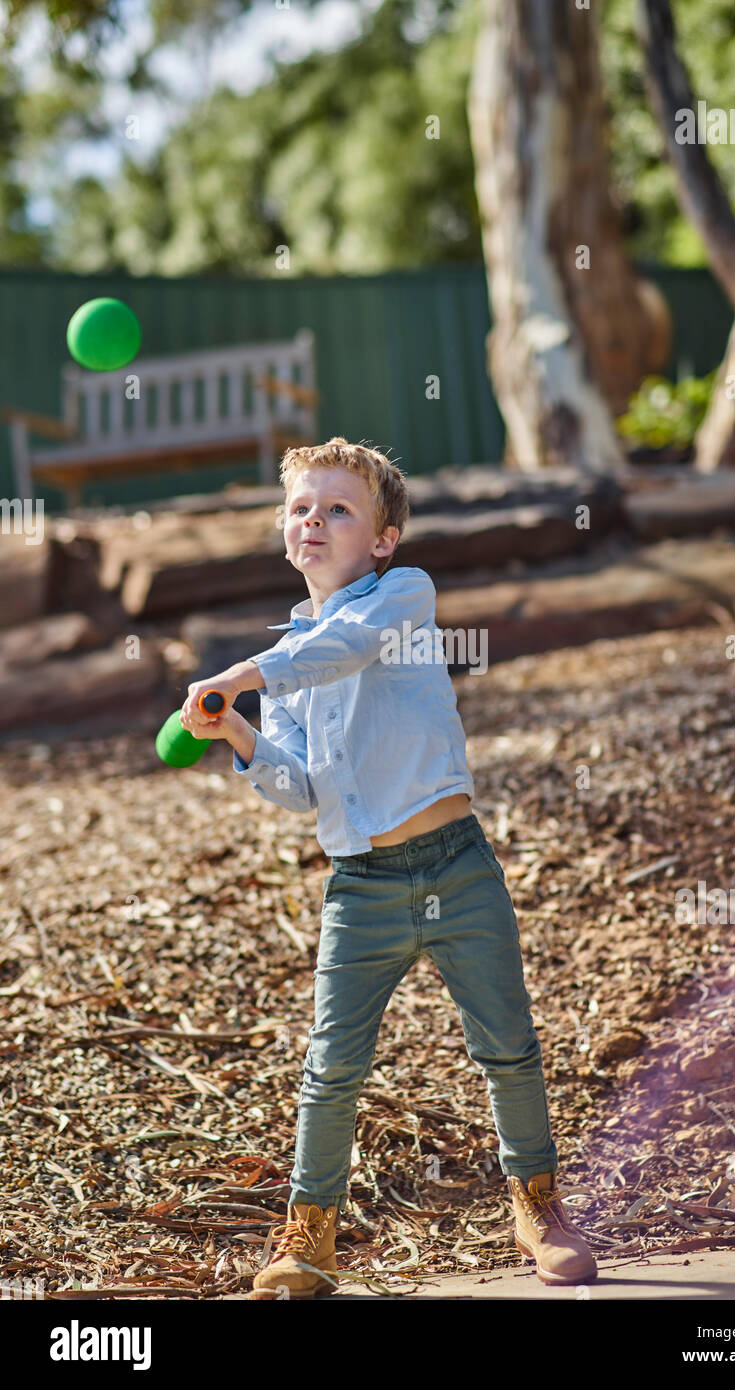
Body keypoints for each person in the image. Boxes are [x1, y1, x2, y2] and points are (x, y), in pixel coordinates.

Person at [179, 436, 596, 1297]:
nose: (313, 521)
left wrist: (237, 675)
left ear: (381, 538)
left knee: (507, 1048)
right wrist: (242, 733)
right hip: (359, 884)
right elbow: (300, 790)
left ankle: (539, 1205)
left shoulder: (400, 596)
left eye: (337, 508)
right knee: (331, 1065)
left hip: (455, 867)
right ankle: (310, 1238)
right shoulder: (284, 663)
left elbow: (345, 648)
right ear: (284, 532)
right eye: (300, 508)